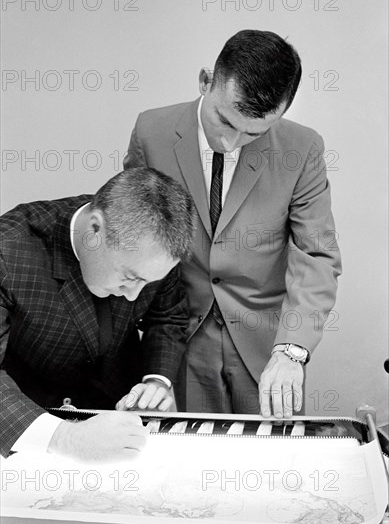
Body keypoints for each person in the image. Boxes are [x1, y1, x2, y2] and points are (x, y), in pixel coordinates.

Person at [124, 30, 342, 418]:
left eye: (253, 133)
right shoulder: (150, 132)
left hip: (268, 345)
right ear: (206, 80)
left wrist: (292, 350)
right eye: (224, 120)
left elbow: (317, 254)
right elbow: (134, 235)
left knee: (272, 466)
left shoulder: (303, 148)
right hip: (180, 337)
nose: (231, 142)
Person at [0, 167, 196, 461]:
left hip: (118, 419)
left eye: (147, 283)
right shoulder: (9, 249)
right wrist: (64, 437)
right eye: (129, 277)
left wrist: (156, 381)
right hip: (29, 425)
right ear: (94, 230)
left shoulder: (153, 249)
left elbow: (167, 317)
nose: (133, 295)